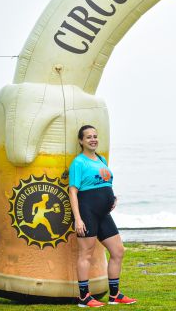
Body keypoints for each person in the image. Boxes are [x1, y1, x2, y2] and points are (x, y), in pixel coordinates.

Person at [69, 125, 138, 307]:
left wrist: (111, 197)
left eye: (95, 136)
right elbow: (73, 191)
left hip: (103, 214)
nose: (93, 139)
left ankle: (114, 295)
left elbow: (103, 183)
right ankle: (84, 297)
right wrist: (78, 218)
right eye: (88, 137)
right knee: (86, 254)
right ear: (81, 141)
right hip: (86, 212)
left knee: (118, 251)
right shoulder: (79, 162)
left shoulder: (101, 159)